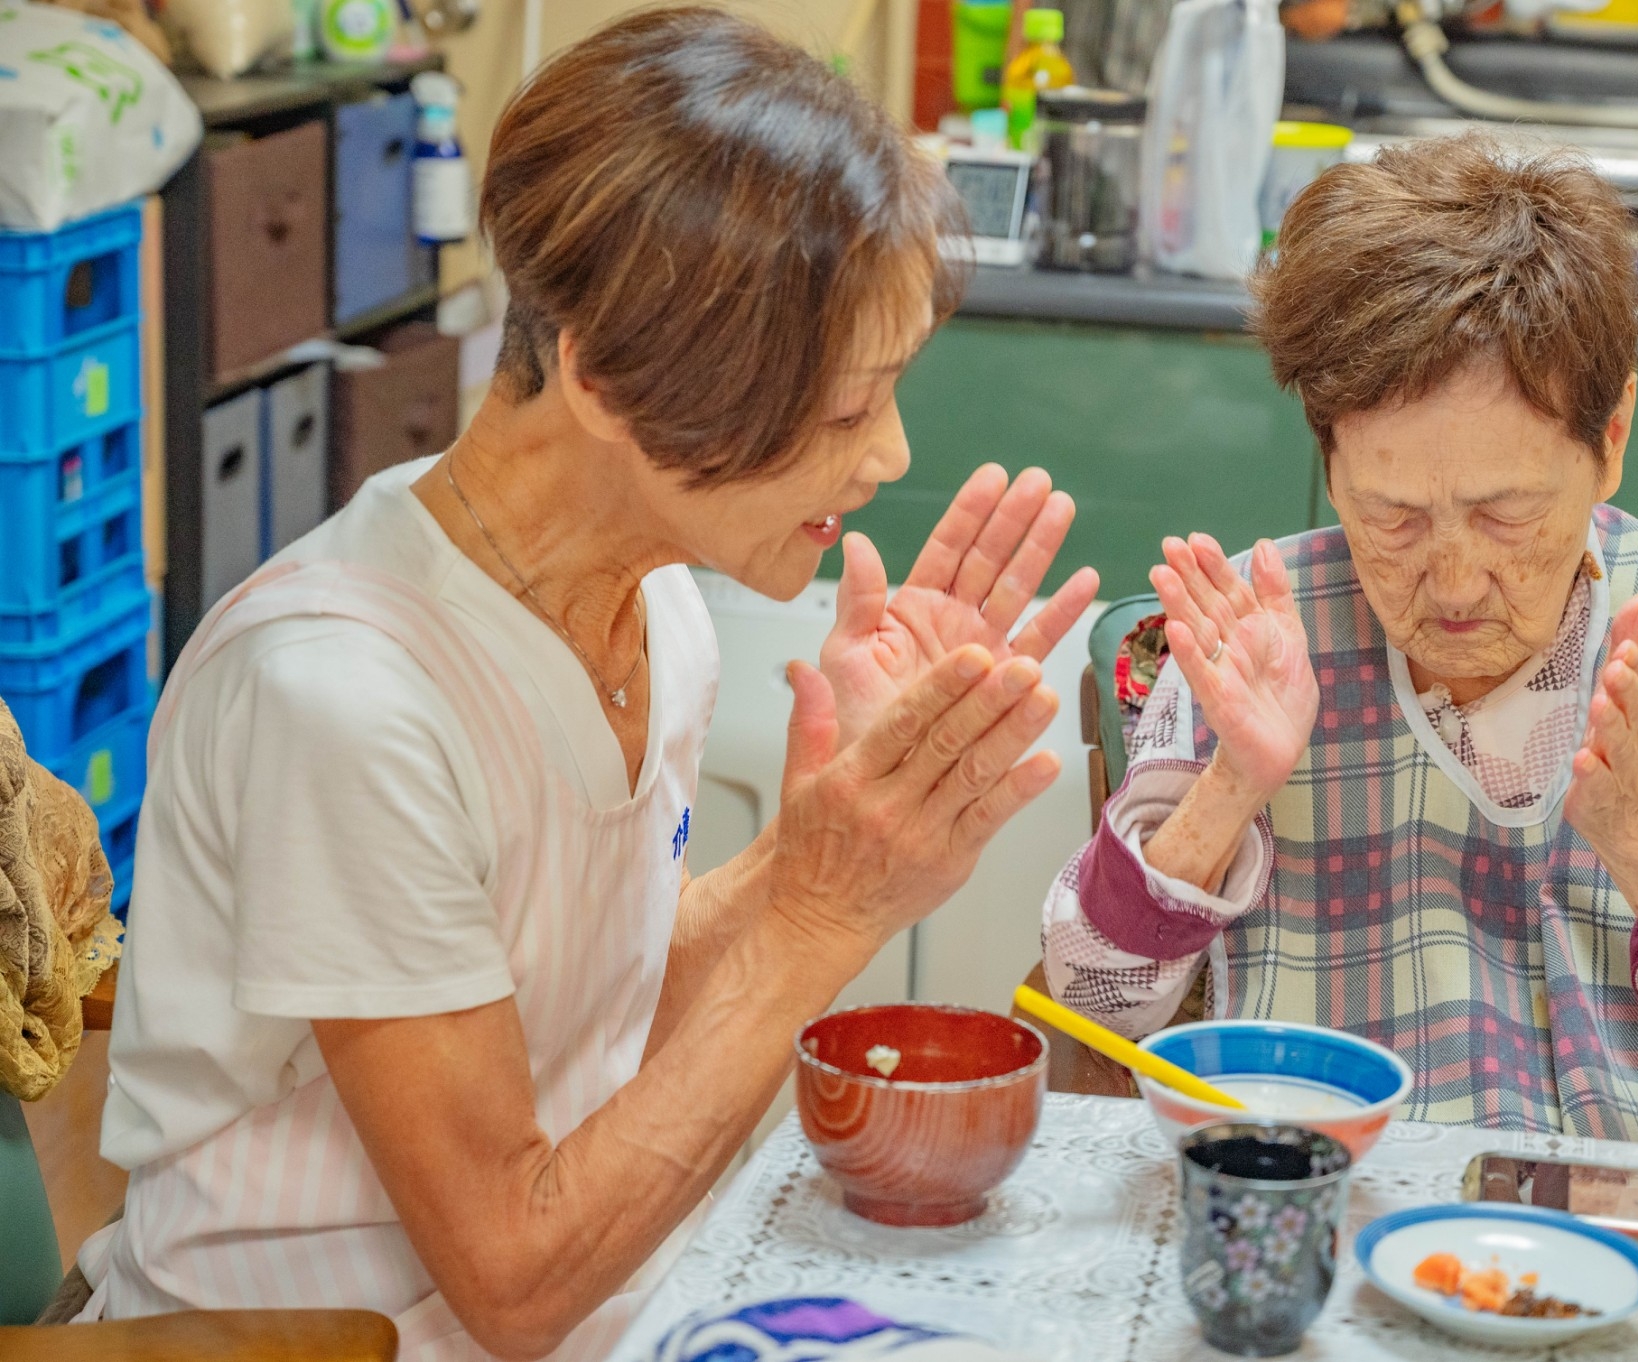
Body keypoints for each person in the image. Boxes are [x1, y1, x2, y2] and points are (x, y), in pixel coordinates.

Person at [76, 10, 1099, 1358]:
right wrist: (822, 906)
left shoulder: (653, 602)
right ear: (607, 380)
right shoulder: (340, 699)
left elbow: (598, 1009)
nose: (889, 454)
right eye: (847, 410)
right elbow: (512, 1278)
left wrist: (826, 843)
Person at [1043, 133, 1638, 1158]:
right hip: (1350, 1203)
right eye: (1390, 515)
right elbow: (1094, 995)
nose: (1455, 580)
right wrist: (1230, 786)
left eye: (1506, 512)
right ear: (1328, 461)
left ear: (1609, 442)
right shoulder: (1252, 633)